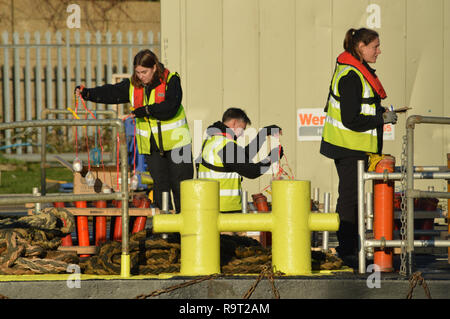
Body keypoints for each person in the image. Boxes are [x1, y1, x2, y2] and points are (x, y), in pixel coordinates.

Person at [75, 49, 193, 213]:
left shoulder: (171, 81)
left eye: (144, 72)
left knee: (182, 186)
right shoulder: (133, 85)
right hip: (152, 147)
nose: (141, 76)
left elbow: (170, 107)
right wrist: (88, 93)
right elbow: (112, 92)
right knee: (160, 185)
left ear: (154, 67)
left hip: (179, 144)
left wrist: (144, 111)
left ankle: (188, 229)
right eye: (137, 72)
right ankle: (166, 230)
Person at [320, 28, 398, 266]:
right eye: (375, 46)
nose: (379, 51)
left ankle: (349, 248)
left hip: (353, 147)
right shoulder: (352, 76)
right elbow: (351, 119)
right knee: (350, 199)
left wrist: (378, 113)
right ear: (360, 47)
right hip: (348, 148)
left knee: (351, 198)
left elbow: (358, 110)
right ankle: (347, 250)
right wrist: (381, 119)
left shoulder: (354, 71)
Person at [197, 107, 283, 213]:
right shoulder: (226, 145)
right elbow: (251, 171)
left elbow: (241, 158)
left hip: (208, 208)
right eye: (242, 129)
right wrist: (272, 157)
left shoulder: (212, 141)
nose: (242, 134)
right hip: (225, 210)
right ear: (234, 123)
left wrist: (262, 135)